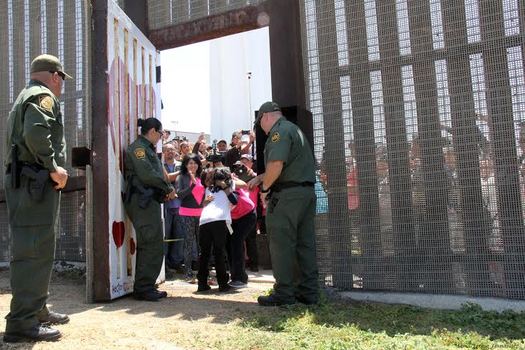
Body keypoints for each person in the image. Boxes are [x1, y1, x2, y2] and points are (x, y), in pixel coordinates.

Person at [3, 54, 71, 343]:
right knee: (32, 251)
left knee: (39, 248)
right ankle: (22, 323)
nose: (61, 86)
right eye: (61, 80)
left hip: (31, 183)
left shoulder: (25, 95)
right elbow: (35, 132)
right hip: (34, 183)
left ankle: (36, 310)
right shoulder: (42, 95)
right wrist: (52, 165)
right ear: (54, 76)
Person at [249, 101, 319, 306]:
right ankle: (308, 292)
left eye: (259, 122)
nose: (260, 127)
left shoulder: (278, 132)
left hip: (287, 197)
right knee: (305, 244)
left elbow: (277, 164)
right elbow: (289, 165)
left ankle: (284, 293)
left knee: (281, 244)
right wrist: (262, 177)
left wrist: (264, 188)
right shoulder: (294, 129)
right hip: (305, 193)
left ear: (267, 116)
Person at [124, 118, 176, 301]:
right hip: (141, 200)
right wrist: (168, 187)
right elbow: (147, 174)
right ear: (153, 131)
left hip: (147, 200)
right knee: (150, 242)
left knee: (153, 242)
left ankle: (146, 285)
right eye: (161, 134)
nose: (161, 138)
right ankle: (144, 287)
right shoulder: (139, 148)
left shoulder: (147, 149)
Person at [196, 168, 237, 292]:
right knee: (219, 252)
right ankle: (223, 285)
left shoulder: (208, 189)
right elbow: (235, 200)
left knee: (205, 253)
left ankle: (202, 284)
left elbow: (203, 204)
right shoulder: (228, 187)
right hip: (219, 220)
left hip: (204, 221)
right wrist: (225, 187)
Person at [176, 153, 204, 281]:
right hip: (186, 213)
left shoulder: (202, 177)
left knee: (201, 243)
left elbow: (204, 195)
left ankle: (201, 270)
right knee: (188, 242)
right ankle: (187, 271)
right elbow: (180, 195)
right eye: (190, 163)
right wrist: (192, 186)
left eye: (195, 163)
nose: (193, 165)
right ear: (186, 165)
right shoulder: (181, 177)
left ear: (199, 165)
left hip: (201, 213)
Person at [162, 143, 183, 270]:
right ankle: (165, 264)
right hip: (165, 206)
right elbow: (163, 180)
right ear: (163, 152)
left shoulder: (181, 165)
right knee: (166, 235)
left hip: (180, 206)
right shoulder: (160, 166)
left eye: (172, 150)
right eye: (167, 150)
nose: (170, 152)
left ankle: (176, 262)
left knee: (179, 235)